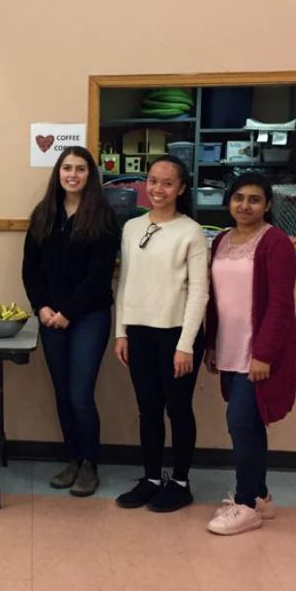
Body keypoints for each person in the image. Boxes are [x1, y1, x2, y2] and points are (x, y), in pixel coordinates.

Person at [204, 173, 296, 535]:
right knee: (249, 424)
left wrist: (264, 354)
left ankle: (245, 505)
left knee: (241, 422)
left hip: (259, 350)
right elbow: (215, 299)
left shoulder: (275, 243)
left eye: (254, 199)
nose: (245, 205)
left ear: (268, 205)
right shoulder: (222, 241)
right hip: (229, 345)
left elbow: (280, 305)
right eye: (238, 197)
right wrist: (212, 343)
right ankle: (260, 495)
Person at [22, 146, 119, 497]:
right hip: (50, 317)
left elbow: (99, 276)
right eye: (67, 168)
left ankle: (90, 464)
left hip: (88, 316)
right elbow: (30, 267)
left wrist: (68, 313)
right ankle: (73, 460)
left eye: (80, 169)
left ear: (90, 176)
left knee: (80, 394)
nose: (73, 175)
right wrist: (42, 307)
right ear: (58, 173)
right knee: (62, 393)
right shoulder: (44, 213)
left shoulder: (103, 216)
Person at [113, 154, 208, 512]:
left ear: (181, 188)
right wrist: (121, 331)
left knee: (178, 409)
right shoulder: (132, 228)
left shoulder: (191, 231)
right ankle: (152, 478)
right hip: (139, 332)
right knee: (148, 409)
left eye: (168, 183)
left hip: (176, 335)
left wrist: (185, 345)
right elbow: (125, 282)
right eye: (153, 180)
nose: (158, 189)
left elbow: (199, 291)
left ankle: (181, 482)